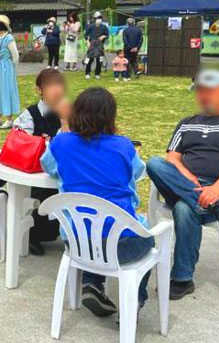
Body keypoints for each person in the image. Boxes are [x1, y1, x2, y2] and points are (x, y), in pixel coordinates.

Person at [145, 69, 219, 300]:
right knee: (154, 163)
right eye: (200, 90)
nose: (205, 95)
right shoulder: (186, 123)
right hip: (182, 183)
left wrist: (216, 189)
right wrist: (190, 179)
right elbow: (172, 160)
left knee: (184, 209)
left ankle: (182, 279)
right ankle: (216, 210)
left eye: (211, 90)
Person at [41, 87, 151, 317]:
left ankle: (92, 283)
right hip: (122, 245)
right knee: (149, 236)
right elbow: (137, 171)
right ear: (111, 115)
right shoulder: (123, 146)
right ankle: (134, 302)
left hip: (77, 242)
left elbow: (48, 166)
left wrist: (64, 127)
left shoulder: (61, 143)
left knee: (93, 222)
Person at [13, 69, 71, 255]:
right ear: (39, 90)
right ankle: (33, 234)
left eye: (60, 84)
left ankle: (68, 232)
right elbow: (21, 143)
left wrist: (66, 122)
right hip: (35, 172)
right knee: (41, 194)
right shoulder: (30, 115)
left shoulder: (69, 115)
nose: (57, 90)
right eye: (51, 85)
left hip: (61, 171)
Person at [84, 11, 108, 80]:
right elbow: (85, 35)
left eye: (100, 18)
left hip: (100, 45)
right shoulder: (90, 26)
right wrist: (87, 41)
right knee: (89, 59)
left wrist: (104, 36)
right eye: (97, 18)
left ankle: (97, 73)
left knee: (99, 60)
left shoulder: (104, 27)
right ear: (94, 19)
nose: (99, 19)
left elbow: (107, 35)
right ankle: (87, 73)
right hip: (92, 44)